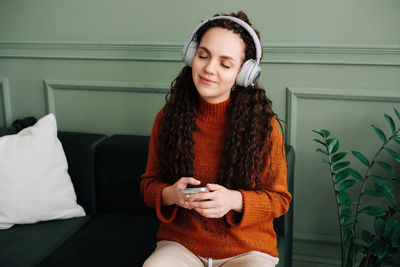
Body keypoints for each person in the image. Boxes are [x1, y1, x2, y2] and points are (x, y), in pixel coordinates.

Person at [140, 11, 292, 267]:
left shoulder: (264, 127)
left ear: (244, 74)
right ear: (191, 56)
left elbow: (280, 199)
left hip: (248, 249)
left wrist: (234, 200)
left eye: (225, 63)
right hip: (182, 245)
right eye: (203, 55)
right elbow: (148, 185)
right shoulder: (167, 118)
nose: (209, 68)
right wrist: (171, 194)